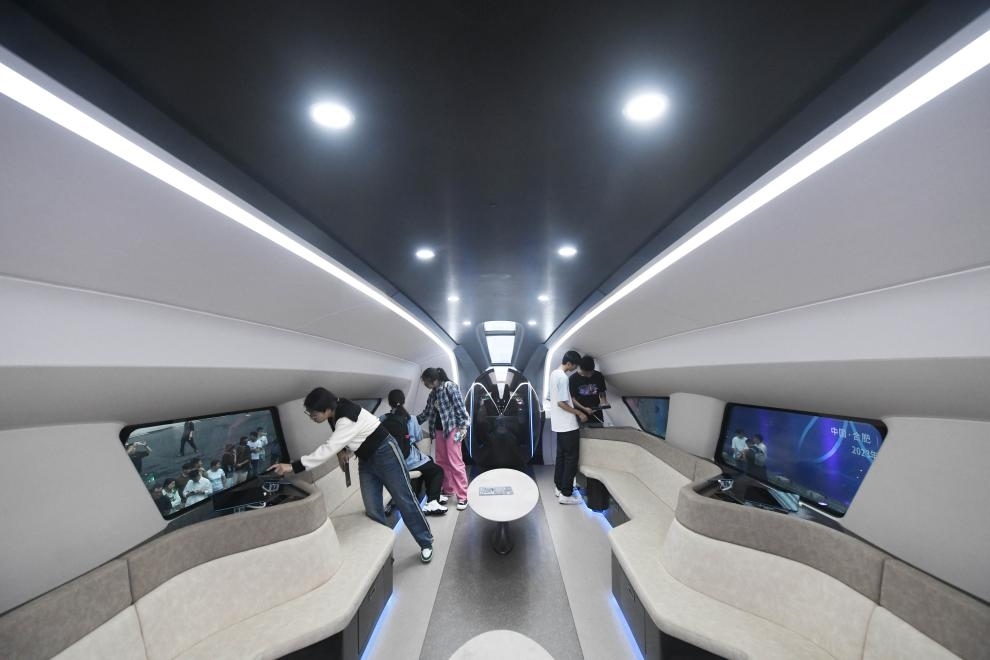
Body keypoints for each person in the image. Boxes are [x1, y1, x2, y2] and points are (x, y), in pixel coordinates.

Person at [269, 387, 435, 563]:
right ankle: (384, 554)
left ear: (327, 409)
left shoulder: (346, 417)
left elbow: (328, 448)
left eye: (314, 414)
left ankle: (426, 541)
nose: (312, 417)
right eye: (309, 413)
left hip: (386, 453)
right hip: (366, 459)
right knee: (372, 508)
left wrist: (292, 466)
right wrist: (343, 450)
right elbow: (340, 434)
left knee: (404, 499)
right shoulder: (336, 409)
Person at [382, 389, 447, 516]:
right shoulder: (410, 419)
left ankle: (431, 496)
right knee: (437, 470)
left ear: (389, 403)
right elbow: (418, 437)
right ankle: (431, 501)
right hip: (408, 459)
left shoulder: (382, 419)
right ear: (403, 401)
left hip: (390, 460)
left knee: (428, 461)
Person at [416, 367, 471, 511]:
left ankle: (463, 496)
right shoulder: (433, 393)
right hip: (439, 430)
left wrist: (463, 427)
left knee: (455, 462)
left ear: (434, 380)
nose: (425, 385)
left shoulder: (450, 387)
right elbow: (426, 413)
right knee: (441, 461)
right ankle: (448, 489)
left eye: (426, 382)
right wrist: (411, 421)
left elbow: (460, 408)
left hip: (453, 429)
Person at [550, 350, 587, 504]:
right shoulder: (563, 378)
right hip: (568, 425)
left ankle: (559, 487)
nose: (575, 369)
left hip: (559, 425)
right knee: (571, 459)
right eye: (575, 366)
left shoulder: (554, 374)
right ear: (569, 363)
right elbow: (562, 403)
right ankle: (566, 494)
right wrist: (579, 413)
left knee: (561, 457)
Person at [569, 355, 609, 425]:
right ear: (581, 369)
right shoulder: (573, 379)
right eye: (587, 373)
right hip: (581, 414)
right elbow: (572, 398)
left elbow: (602, 393)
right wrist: (584, 408)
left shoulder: (598, 375)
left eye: (591, 372)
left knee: (599, 430)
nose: (589, 375)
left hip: (597, 412)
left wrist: (603, 402)